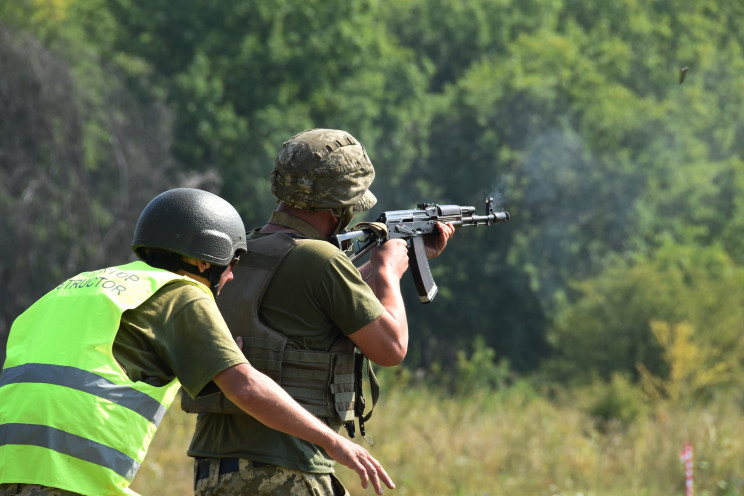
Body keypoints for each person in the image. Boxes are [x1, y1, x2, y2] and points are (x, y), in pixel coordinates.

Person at [0, 187, 393, 496]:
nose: (233, 278)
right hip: (71, 477)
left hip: (9, 469)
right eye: (232, 264)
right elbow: (246, 387)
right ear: (207, 261)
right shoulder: (181, 292)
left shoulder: (76, 287)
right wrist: (336, 444)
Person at [184, 129, 454, 495]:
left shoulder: (241, 252)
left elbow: (331, 304)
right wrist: (389, 270)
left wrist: (393, 259)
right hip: (286, 466)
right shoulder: (321, 259)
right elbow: (391, 347)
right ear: (338, 206)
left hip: (214, 469)